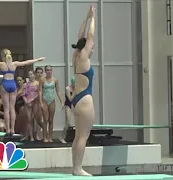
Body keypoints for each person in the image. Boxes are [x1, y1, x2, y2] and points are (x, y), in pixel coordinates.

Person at [70, 5, 95, 176]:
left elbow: (81, 37)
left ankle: (75, 168)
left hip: (77, 99)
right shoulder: (84, 56)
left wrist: (85, 18)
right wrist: (93, 18)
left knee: (78, 135)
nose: (92, 49)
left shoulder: (76, 56)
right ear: (86, 47)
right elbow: (90, 37)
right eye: (90, 47)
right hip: (85, 100)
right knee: (83, 136)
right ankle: (78, 169)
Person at [39, 65, 63, 142]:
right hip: (44, 100)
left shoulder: (55, 80)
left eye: (50, 70)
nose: (49, 71)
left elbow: (58, 91)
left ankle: (50, 137)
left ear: (52, 71)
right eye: (47, 70)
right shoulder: (42, 80)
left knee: (51, 120)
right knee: (45, 119)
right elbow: (40, 91)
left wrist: (61, 101)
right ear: (45, 71)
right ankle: (45, 137)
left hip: (52, 100)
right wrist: (40, 102)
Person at [22, 71, 44, 141]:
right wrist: (26, 101)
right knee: (29, 119)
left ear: (34, 75)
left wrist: (32, 99)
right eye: (29, 75)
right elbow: (23, 94)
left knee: (38, 118)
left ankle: (43, 133)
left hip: (35, 102)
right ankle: (31, 136)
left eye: (31, 74)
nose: (30, 76)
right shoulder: (26, 84)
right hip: (28, 102)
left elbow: (39, 93)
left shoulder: (37, 83)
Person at [59, 76, 75, 143]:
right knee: (67, 122)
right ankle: (61, 137)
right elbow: (70, 99)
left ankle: (74, 137)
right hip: (68, 105)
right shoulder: (67, 88)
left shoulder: (77, 88)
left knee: (77, 123)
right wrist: (75, 92)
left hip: (75, 105)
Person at [35, 67, 44, 140]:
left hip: (41, 100)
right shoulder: (34, 81)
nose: (39, 74)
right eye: (38, 72)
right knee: (35, 117)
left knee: (40, 118)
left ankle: (40, 134)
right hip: (34, 101)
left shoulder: (43, 81)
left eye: (41, 72)